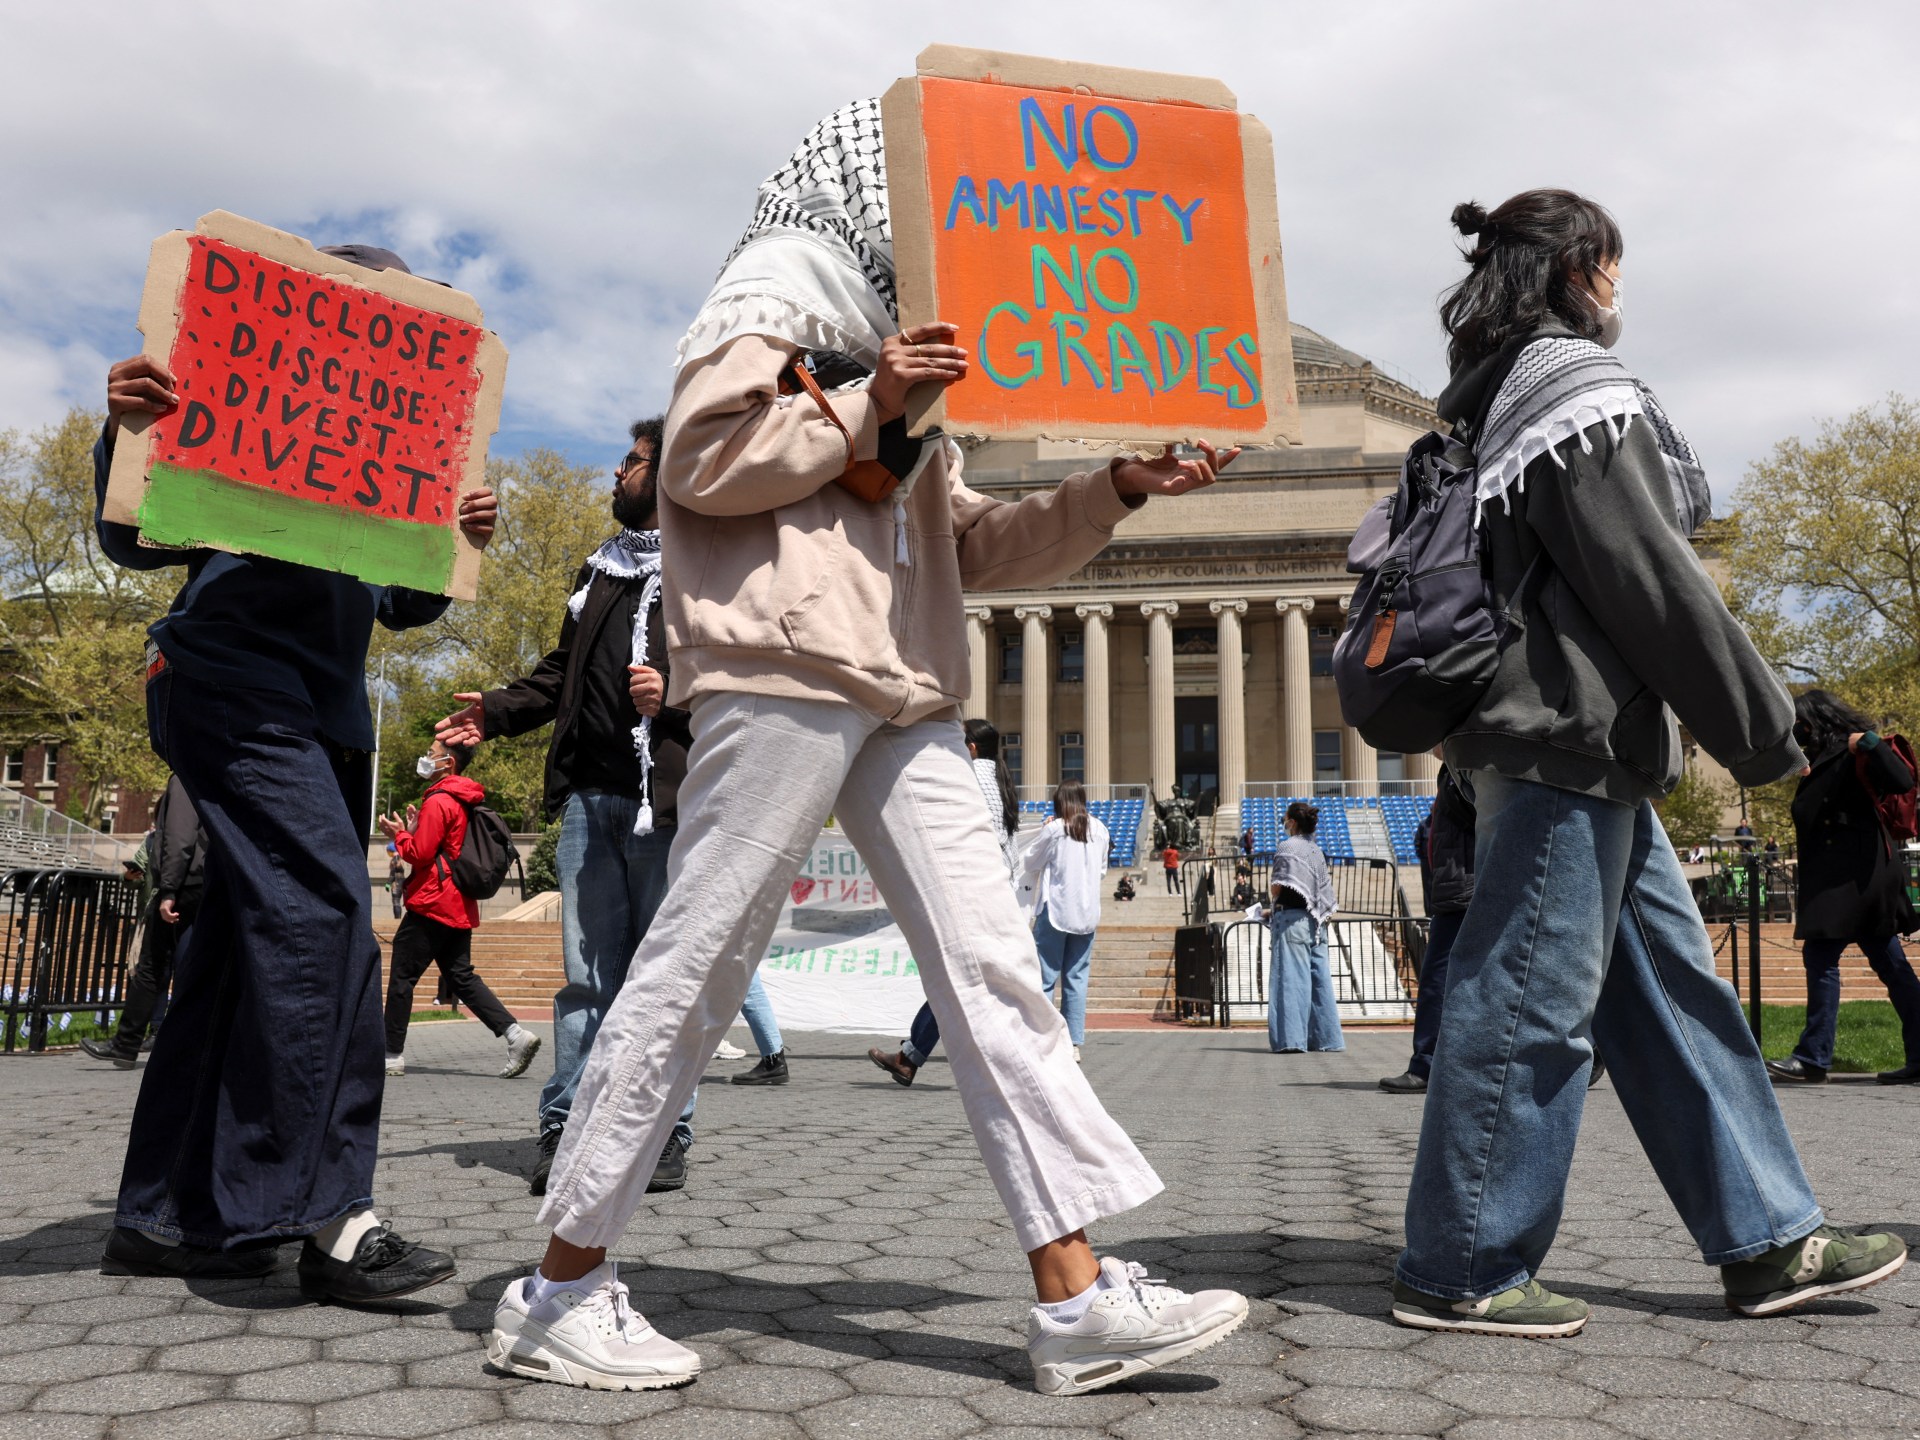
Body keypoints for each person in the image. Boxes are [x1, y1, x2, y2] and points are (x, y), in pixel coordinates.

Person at [488, 99, 1249, 1397]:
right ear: (865, 183)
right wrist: (868, 401)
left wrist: (1114, 487)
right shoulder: (774, 286)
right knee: (696, 968)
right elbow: (707, 460)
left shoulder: (907, 358)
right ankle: (558, 1288)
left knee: (993, 969)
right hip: (785, 668)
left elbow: (977, 548)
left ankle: (1074, 1296)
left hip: (909, 693)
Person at [1389, 190, 1905, 1339]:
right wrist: (1767, 728)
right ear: (1577, 270)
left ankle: (1770, 1238)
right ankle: (1464, 1262)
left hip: (1565, 745)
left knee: (1676, 996)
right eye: (1611, 267)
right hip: (1565, 739)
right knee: (1526, 1003)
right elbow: (1650, 581)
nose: (1619, 290)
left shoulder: (1488, 395)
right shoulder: (1573, 392)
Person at [91, 242, 493, 1303]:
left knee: (235, 949)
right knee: (322, 921)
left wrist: (452, 538)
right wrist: (130, 424)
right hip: (229, 674)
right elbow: (131, 536)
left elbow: (405, 605)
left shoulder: (381, 444)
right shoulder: (260, 403)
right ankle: (323, 1214)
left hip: (311, 712)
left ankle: (166, 1215)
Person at [436, 416, 709, 1196]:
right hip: (592, 800)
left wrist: (676, 697)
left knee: (664, 982)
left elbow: (749, 677)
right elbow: (560, 675)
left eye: (631, 462)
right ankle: (568, 1125)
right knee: (587, 978)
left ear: (671, 475)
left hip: (671, 804)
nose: (616, 474)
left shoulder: (710, 570)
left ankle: (664, 1134)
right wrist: (492, 711)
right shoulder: (602, 570)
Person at [1767, 690, 1920, 1085]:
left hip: (1856, 880)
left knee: (1822, 958)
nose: (1795, 732)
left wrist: (1868, 741)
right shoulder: (1819, 759)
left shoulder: (1853, 749)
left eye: (1797, 724)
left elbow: (1902, 780)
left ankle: (1813, 1057)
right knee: (1892, 967)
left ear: (1813, 721)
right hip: (1847, 879)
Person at [378, 738, 540, 1079]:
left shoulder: (439, 800)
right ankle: (515, 1035)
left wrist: (400, 837)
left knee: (403, 977)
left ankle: (390, 1054)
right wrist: (412, 829)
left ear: (448, 763)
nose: (426, 758)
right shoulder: (463, 800)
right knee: (460, 977)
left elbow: (421, 854)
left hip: (432, 902)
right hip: (457, 903)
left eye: (431, 754)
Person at [868, 718, 1017, 1086]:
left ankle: (914, 1057)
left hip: (971, 891)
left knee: (953, 980)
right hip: (994, 891)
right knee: (962, 981)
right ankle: (912, 1056)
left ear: (969, 747)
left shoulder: (970, 776)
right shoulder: (998, 779)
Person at [83, 775, 206, 1069]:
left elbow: (178, 838)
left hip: (185, 886)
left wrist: (169, 891)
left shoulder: (184, 780)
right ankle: (181, 1047)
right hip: (203, 884)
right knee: (189, 967)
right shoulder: (213, 774)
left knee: (151, 967)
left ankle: (126, 1046)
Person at [1380, 769, 1471, 1093]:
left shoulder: (1466, 764)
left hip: (1465, 890)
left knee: (1437, 979)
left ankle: (1427, 1063)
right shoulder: (1453, 769)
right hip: (1454, 891)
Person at [1021, 781, 1110, 1063]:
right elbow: (1103, 871)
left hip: (1056, 910)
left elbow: (1031, 862)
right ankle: (1073, 1042)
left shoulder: (1055, 829)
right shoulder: (1101, 830)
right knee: (1076, 978)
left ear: (1060, 803)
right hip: (1086, 913)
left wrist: (1045, 829)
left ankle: (1047, 1039)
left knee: (1045, 978)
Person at [1266, 802, 1343, 1055]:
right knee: (1320, 981)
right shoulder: (1315, 850)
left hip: (1291, 922)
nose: (1284, 824)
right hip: (1316, 922)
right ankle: (1328, 1039)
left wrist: (1271, 903)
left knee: (1290, 980)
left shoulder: (1287, 847)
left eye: (1285, 820)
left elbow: (1278, 887)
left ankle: (1291, 1040)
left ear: (1293, 822)